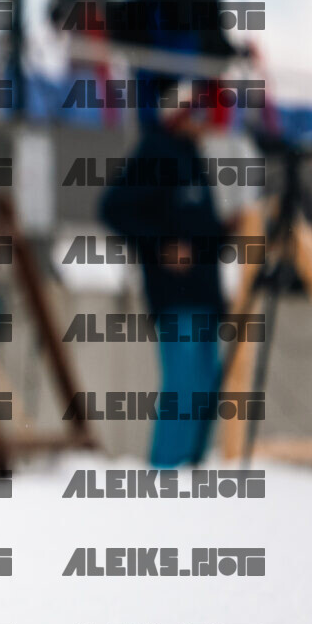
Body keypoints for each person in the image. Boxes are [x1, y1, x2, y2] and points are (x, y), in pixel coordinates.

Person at [98, 97, 228, 468]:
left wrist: (224, 231)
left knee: (206, 384)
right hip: (175, 294)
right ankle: (166, 470)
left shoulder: (192, 156)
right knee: (184, 384)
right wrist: (161, 247)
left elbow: (193, 222)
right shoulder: (156, 151)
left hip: (204, 292)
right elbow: (113, 207)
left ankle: (192, 467)